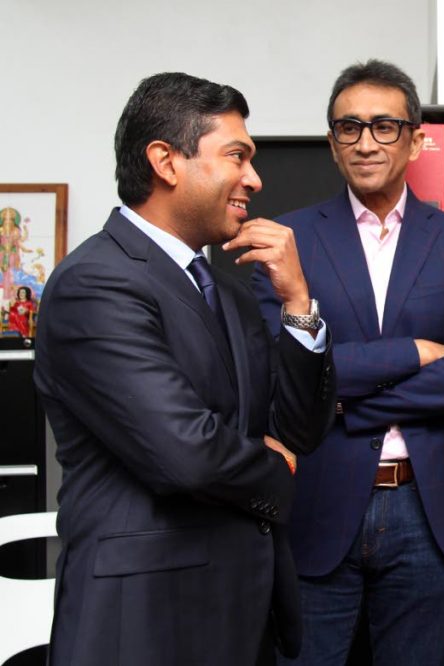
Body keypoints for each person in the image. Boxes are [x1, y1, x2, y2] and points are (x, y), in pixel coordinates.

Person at [33, 72, 336, 666]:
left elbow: (297, 427)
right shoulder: (94, 284)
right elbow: (185, 451)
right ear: (166, 161)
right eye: (236, 155)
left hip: (240, 616)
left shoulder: (230, 292)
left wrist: (299, 303)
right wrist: (274, 463)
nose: (254, 178)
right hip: (144, 622)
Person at [250, 59, 444, 665]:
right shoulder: (288, 240)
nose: (365, 142)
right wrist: (413, 352)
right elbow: (281, 371)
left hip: (428, 505)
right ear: (333, 143)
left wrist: (339, 399)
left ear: (417, 138)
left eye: (384, 126)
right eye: (348, 128)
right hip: (319, 501)